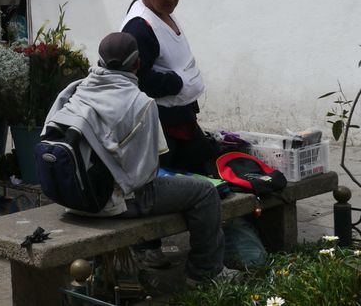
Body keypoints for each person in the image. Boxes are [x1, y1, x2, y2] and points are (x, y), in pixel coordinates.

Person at [41, 32, 227, 285]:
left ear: (100, 62)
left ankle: (148, 255)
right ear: (138, 64)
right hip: (112, 204)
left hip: (73, 197)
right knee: (205, 192)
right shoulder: (141, 102)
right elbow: (145, 176)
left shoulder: (74, 90)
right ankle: (205, 273)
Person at [121, 0, 212, 175]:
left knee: (205, 167)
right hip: (162, 125)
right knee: (180, 175)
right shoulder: (139, 28)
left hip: (182, 118)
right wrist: (176, 82)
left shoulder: (161, 13)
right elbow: (136, 79)